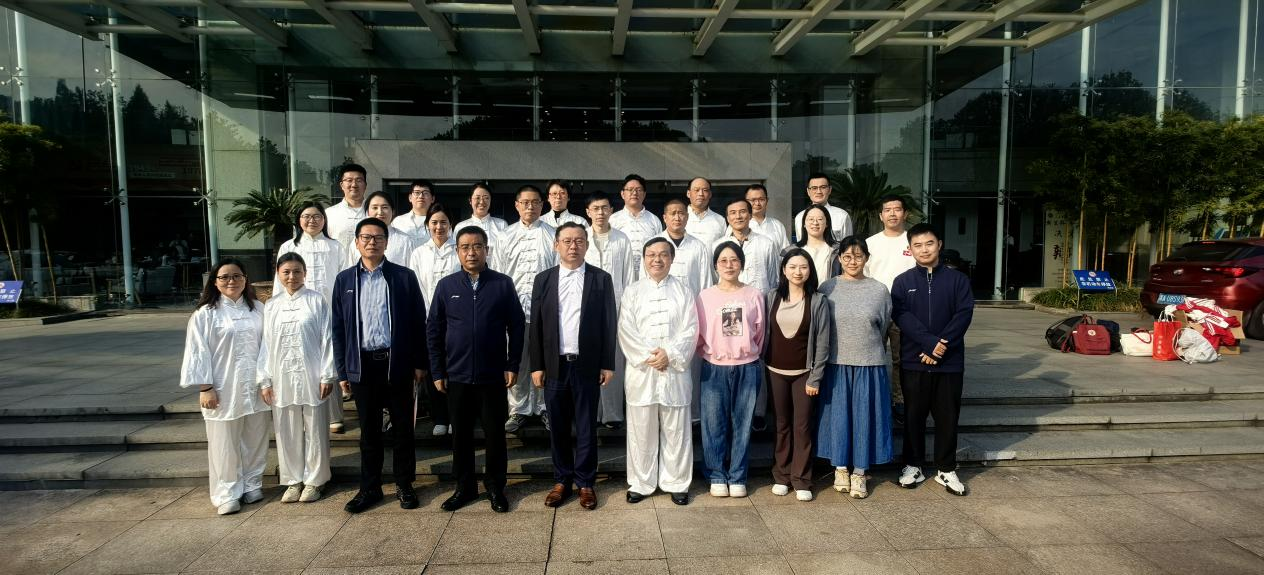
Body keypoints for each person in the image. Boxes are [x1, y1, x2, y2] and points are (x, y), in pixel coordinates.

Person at [332, 218, 430, 513]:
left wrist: (420, 362)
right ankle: (369, 488)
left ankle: (404, 484)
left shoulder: (403, 277)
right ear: (357, 242)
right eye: (366, 237)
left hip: (396, 363)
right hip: (362, 366)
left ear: (386, 242)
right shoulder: (345, 280)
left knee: (403, 429)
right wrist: (342, 369)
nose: (371, 242)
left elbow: (418, 322)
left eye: (377, 237)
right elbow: (338, 329)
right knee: (369, 432)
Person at [428, 225, 526, 513]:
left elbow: (516, 326)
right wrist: (437, 370)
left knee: (495, 435)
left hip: (492, 374)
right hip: (456, 375)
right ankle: (464, 487)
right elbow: (434, 330)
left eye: (477, 246)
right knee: (460, 435)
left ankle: (495, 487)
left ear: (486, 250)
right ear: (457, 251)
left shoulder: (502, 284)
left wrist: (512, 363)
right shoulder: (446, 286)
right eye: (465, 247)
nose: (471, 252)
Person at [529, 222, 618, 510]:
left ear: (587, 245)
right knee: (557, 426)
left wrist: (607, 363)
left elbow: (609, 323)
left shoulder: (600, 278)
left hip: (586, 365)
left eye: (579, 240)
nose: (573, 246)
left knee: (586, 426)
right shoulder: (543, 279)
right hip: (554, 365)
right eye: (566, 240)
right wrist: (537, 365)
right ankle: (562, 480)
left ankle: (586, 482)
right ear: (556, 245)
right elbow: (536, 325)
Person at [179, 258, 269, 515]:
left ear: (245, 279)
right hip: (223, 387)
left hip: (255, 385)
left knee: (255, 437)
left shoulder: (258, 309)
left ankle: (252, 483)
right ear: (215, 282)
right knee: (224, 442)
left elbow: (267, 347)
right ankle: (227, 492)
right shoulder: (205, 314)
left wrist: (267, 380)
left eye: (237, 276)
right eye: (225, 277)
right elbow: (198, 352)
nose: (231, 281)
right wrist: (205, 387)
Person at [892, 223, 975, 497]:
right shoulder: (902, 282)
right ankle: (913, 465)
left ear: (939, 244)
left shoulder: (958, 280)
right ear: (910, 249)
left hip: (949, 361)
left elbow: (963, 315)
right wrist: (929, 344)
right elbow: (901, 316)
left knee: (947, 417)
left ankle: (946, 468)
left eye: (929, 243)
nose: (924, 249)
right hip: (914, 360)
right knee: (913, 416)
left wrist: (941, 347)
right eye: (917, 245)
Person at [619, 238, 698, 506]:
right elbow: (626, 329)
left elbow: (691, 329)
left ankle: (677, 482)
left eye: (663, 254)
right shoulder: (632, 292)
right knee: (641, 430)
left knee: (677, 430)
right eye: (651, 254)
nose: (657, 260)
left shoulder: (684, 291)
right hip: (642, 372)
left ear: (672, 259)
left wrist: (670, 354)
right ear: (643, 259)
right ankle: (641, 483)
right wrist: (650, 357)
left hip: (674, 372)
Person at [816, 236, 892, 500]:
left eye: (858, 256)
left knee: (864, 418)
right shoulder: (828, 287)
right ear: (839, 259)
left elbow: (884, 326)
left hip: (869, 364)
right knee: (838, 417)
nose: (852, 261)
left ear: (866, 258)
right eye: (847, 256)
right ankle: (840, 468)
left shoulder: (879, 290)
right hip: (836, 364)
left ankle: (860, 472)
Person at [258, 253, 335, 504]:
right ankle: (292, 480)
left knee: (315, 429)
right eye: (286, 272)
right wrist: (265, 380)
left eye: (297, 271)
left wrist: (327, 374)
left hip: (312, 374)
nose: (292, 277)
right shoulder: (272, 305)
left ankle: (315, 480)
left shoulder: (316, 300)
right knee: (286, 430)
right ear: (278, 274)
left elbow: (327, 339)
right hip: (281, 375)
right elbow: (265, 345)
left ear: (305, 273)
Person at [695, 241, 765, 499]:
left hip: (747, 366)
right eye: (723, 260)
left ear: (742, 264)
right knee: (713, 424)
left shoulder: (753, 294)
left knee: (742, 424)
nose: (729, 265)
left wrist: (746, 352)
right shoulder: (705, 296)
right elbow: (699, 333)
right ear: (715, 265)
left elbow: (760, 332)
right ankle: (716, 474)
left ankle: (737, 475)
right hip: (715, 367)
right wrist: (713, 353)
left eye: (734, 260)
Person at [763, 248, 829, 501]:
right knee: (781, 425)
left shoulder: (818, 301)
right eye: (792, 267)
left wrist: (815, 377)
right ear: (784, 270)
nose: (797, 272)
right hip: (774, 372)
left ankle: (801, 479)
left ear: (810, 270)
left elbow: (823, 343)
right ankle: (781, 475)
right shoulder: (772, 297)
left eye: (803, 267)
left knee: (802, 426)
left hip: (804, 374)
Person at [495, 185, 559, 433]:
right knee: (517, 361)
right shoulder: (505, 236)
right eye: (525, 202)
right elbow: (498, 274)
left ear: (542, 205)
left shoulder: (553, 235)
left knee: (545, 360)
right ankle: (518, 409)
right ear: (517, 205)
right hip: (513, 309)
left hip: (546, 309)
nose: (530, 207)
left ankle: (545, 407)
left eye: (535, 202)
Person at [585, 191, 635, 429]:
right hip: (585, 310)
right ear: (588, 212)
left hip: (616, 308)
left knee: (614, 360)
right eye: (596, 208)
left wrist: (627, 309)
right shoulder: (581, 238)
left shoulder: (622, 239)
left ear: (611, 211)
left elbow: (629, 277)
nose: (600, 213)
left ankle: (613, 414)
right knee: (589, 359)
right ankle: (591, 413)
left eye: (605, 208)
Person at [864, 194, 917, 421]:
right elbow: (864, 275)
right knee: (871, 356)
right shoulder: (871, 243)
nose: (892, 214)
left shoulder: (913, 241)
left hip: (904, 309)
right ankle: (872, 398)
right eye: (888, 210)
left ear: (905, 214)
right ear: (881, 215)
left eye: (897, 209)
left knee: (900, 358)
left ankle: (899, 399)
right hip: (875, 307)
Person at [407, 203, 457, 437]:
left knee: (456, 368)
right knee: (434, 367)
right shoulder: (419, 253)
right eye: (434, 222)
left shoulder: (458, 250)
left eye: (443, 222)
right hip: (429, 320)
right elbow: (415, 288)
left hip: (457, 320)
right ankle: (440, 417)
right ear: (427, 225)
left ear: (451, 225)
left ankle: (456, 416)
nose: (439, 227)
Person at [276, 202, 344, 303]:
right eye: (306, 216)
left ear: (324, 219)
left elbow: (344, 278)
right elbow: (279, 280)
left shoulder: (336, 246)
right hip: (297, 302)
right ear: (299, 219)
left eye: (317, 216)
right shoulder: (288, 247)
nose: (312, 220)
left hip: (330, 301)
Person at [713, 198, 779, 293]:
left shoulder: (766, 243)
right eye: (733, 213)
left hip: (760, 298)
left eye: (742, 212)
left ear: (750, 215)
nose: (738, 216)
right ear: (727, 218)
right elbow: (715, 277)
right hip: (728, 297)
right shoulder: (717, 245)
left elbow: (773, 278)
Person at [609, 174, 663, 281]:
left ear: (644, 194)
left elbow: (660, 247)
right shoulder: (613, 220)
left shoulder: (654, 220)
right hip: (621, 273)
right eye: (630, 189)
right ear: (622, 194)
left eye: (638, 190)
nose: (634, 193)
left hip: (648, 275)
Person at [347, 191, 418, 268]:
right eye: (375, 208)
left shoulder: (406, 241)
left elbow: (412, 271)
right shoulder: (359, 241)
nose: (380, 212)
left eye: (385, 207)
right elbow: (351, 271)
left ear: (393, 211)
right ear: (367, 212)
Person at [656, 197, 710, 295]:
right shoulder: (653, 244)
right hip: (661, 299)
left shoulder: (698, 246)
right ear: (665, 218)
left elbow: (705, 280)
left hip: (692, 300)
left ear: (687, 217)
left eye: (681, 213)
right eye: (673, 214)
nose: (677, 218)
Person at [792, 172, 853, 242]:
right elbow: (800, 243)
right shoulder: (800, 217)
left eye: (823, 187)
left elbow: (848, 245)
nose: (819, 191)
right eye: (814, 188)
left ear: (830, 190)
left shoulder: (842, 216)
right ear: (808, 191)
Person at [792, 203, 840, 282]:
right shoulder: (792, 251)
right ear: (804, 224)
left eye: (820, 219)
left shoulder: (838, 250)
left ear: (827, 223)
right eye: (811, 219)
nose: (815, 223)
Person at [326, 163, 369, 250]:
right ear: (342, 185)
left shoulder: (374, 212)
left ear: (365, 185)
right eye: (349, 180)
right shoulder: (328, 214)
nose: (354, 185)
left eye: (359, 180)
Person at [454, 182, 508, 250]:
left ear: (490, 200)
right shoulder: (460, 227)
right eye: (477, 198)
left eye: (486, 198)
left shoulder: (501, 225)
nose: (482, 202)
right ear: (470, 201)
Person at [745, 184, 790, 251]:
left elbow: (785, 251)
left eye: (761, 199)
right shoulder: (739, 225)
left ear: (767, 201)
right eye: (753, 200)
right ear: (746, 202)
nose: (757, 203)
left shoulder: (777, 225)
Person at [684, 177, 726, 246]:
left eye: (705, 190)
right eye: (696, 190)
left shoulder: (720, 220)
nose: (701, 194)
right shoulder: (679, 218)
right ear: (688, 193)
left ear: (710, 194)